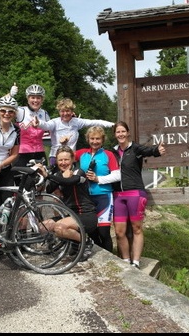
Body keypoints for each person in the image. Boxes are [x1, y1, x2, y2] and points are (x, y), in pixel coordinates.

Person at [111, 121, 165, 269]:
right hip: (117, 195)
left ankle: (136, 262)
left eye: (123, 131)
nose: (121, 134)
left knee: (137, 228)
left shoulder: (135, 148)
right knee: (119, 231)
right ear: (115, 135)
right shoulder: (112, 152)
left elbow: (149, 151)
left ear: (128, 133)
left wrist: (157, 150)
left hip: (135, 193)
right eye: (118, 132)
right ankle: (125, 260)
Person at [35, 146, 97, 261]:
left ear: (73, 159)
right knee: (43, 227)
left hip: (86, 215)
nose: (63, 163)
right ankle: (69, 241)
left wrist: (49, 176)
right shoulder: (59, 174)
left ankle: (86, 242)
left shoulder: (79, 172)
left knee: (59, 227)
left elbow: (70, 181)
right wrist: (45, 175)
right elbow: (49, 189)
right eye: (60, 160)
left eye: (66, 159)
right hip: (70, 215)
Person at [75, 126, 120, 253]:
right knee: (91, 230)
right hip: (86, 197)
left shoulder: (108, 155)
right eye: (92, 138)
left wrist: (98, 179)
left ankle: (111, 260)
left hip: (103, 196)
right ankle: (100, 254)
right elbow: (64, 158)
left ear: (103, 140)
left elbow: (117, 175)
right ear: (88, 139)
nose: (95, 141)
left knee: (104, 231)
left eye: (98, 139)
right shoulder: (82, 153)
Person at [37, 98, 114, 167]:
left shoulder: (76, 122)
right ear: (59, 112)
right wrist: (38, 123)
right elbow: (46, 125)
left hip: (71, 157)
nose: (65, 113)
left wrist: (112, 125)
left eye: (67, 111)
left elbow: (94, 122)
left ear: (72, 111)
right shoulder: (55, 122)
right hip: (56, 157)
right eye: (62, 111)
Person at [14, 84, 50, 168]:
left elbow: (54, 127)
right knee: (19, 179)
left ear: (42, 100)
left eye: (38, 98)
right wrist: (10, 95)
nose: (35, 100)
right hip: (21, 153)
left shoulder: (44, 113)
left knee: (42, 179)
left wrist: (70, 118)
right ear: (28, 99)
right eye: (32, 97)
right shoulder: (20, 111)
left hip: (39, 153)